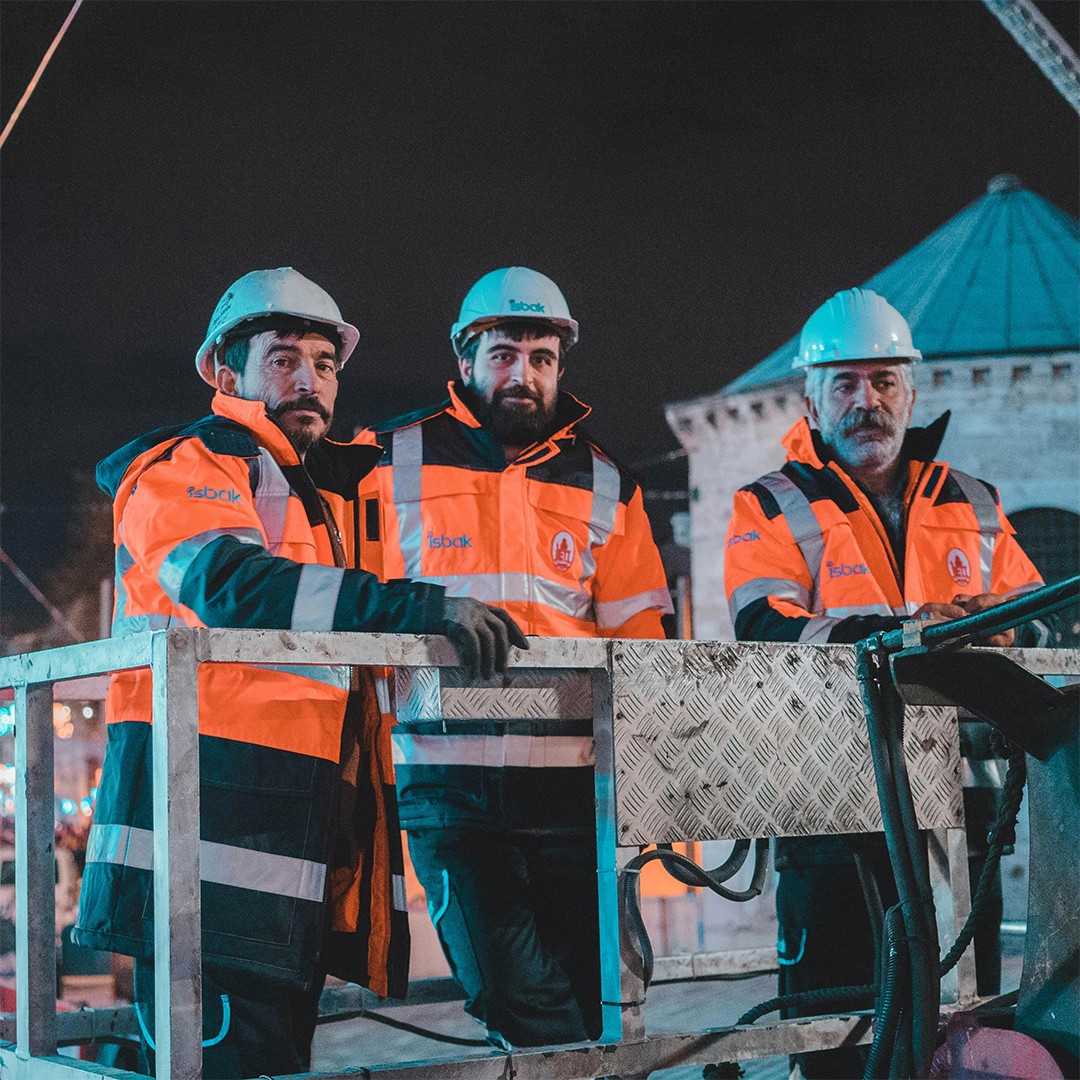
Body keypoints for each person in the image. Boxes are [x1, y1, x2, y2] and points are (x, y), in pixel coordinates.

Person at [73, 267, 526, 1078]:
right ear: (224, 371)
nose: (310, 380)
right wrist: (421, 608)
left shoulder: (314, 488)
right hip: (200, 852)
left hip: (277, 848)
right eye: (283, 358)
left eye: (324, 362)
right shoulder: (180, 466)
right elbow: (230, 584)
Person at [724, 287, 1051, 1079]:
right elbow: (763, 626)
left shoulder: (974, 502)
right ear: (810, 396)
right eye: (843, 383)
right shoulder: (770, 504)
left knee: (960, 1018)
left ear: (911, 389)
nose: (864, 402)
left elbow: (1036, 622)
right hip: (828, 798)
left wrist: (991, 624)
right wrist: (913, 637)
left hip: (960, 798)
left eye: (882, 382)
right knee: (832, 1031)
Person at [360, 266, 673, 1048]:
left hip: (573, 788)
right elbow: (348, 600)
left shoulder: (608, 483)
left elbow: (644, 646)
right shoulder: (384, 461)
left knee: (588, 991)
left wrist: (650, 774)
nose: (523, 375)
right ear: (464, 357)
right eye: (503, 354)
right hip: (445, 782)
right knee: (514, 993)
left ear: (561, 365)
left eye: (540, 358)